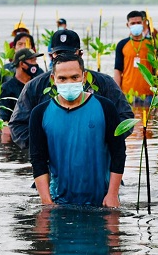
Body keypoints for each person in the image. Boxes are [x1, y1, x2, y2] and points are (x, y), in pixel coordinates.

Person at [9, 29, 133, 149]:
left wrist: (101, 140)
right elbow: (18, 125)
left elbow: (126, 118)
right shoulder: (34, 86)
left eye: (70, 54)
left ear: (80, 54)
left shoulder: (104, 82)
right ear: (52, 56)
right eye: (59, 54)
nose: (65, 59)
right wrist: (44, 145)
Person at [29, 54, 126, 206]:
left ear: (84, 77)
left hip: (101, 201)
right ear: (53, 79)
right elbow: (38, 159)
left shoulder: (105, 107)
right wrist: (46, 201)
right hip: (58, 202)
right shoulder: (40, 113)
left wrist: (112, 194)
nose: (69, 82)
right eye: (62, 78)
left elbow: (118, 152)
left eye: (74, 77)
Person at [0, 48, 42, 140]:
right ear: (22, 64)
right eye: (32, 60)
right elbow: (3, 116)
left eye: (35, 60)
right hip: (19, 135)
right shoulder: (7, 88)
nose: (35, 64)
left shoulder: (38, 85)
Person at [114, 10, 154, 102]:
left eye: (139, 23)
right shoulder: (122, 44)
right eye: (133, 23)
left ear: (143, 24)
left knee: (148, 116)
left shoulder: (151, 44)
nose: (136, 25)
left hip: (148, 93)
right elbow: (118, 70)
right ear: (127, 25)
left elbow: (156, 69)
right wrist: (117, 92)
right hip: (127, 93)